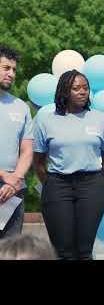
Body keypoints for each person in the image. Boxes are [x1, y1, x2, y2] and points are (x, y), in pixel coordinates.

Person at [32, 70, 104, 260]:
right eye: (76, 88)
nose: (82, 92)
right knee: (63, 251)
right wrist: (51, 184)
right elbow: (38, 161)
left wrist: (94, 179)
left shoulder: (101, 119)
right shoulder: (45, 120)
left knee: (84, 251)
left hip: (91, 186)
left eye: (85, 88)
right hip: (57, 185)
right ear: (64, 91)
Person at [0, 46, 33, 239]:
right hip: (7, 178)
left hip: (14, 188)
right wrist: (5, 175)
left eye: (14, 70)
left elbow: (27, 150)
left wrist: (15, 180)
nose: (11, 74)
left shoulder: (21, 107)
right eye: (6, 68)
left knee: (11, 250)